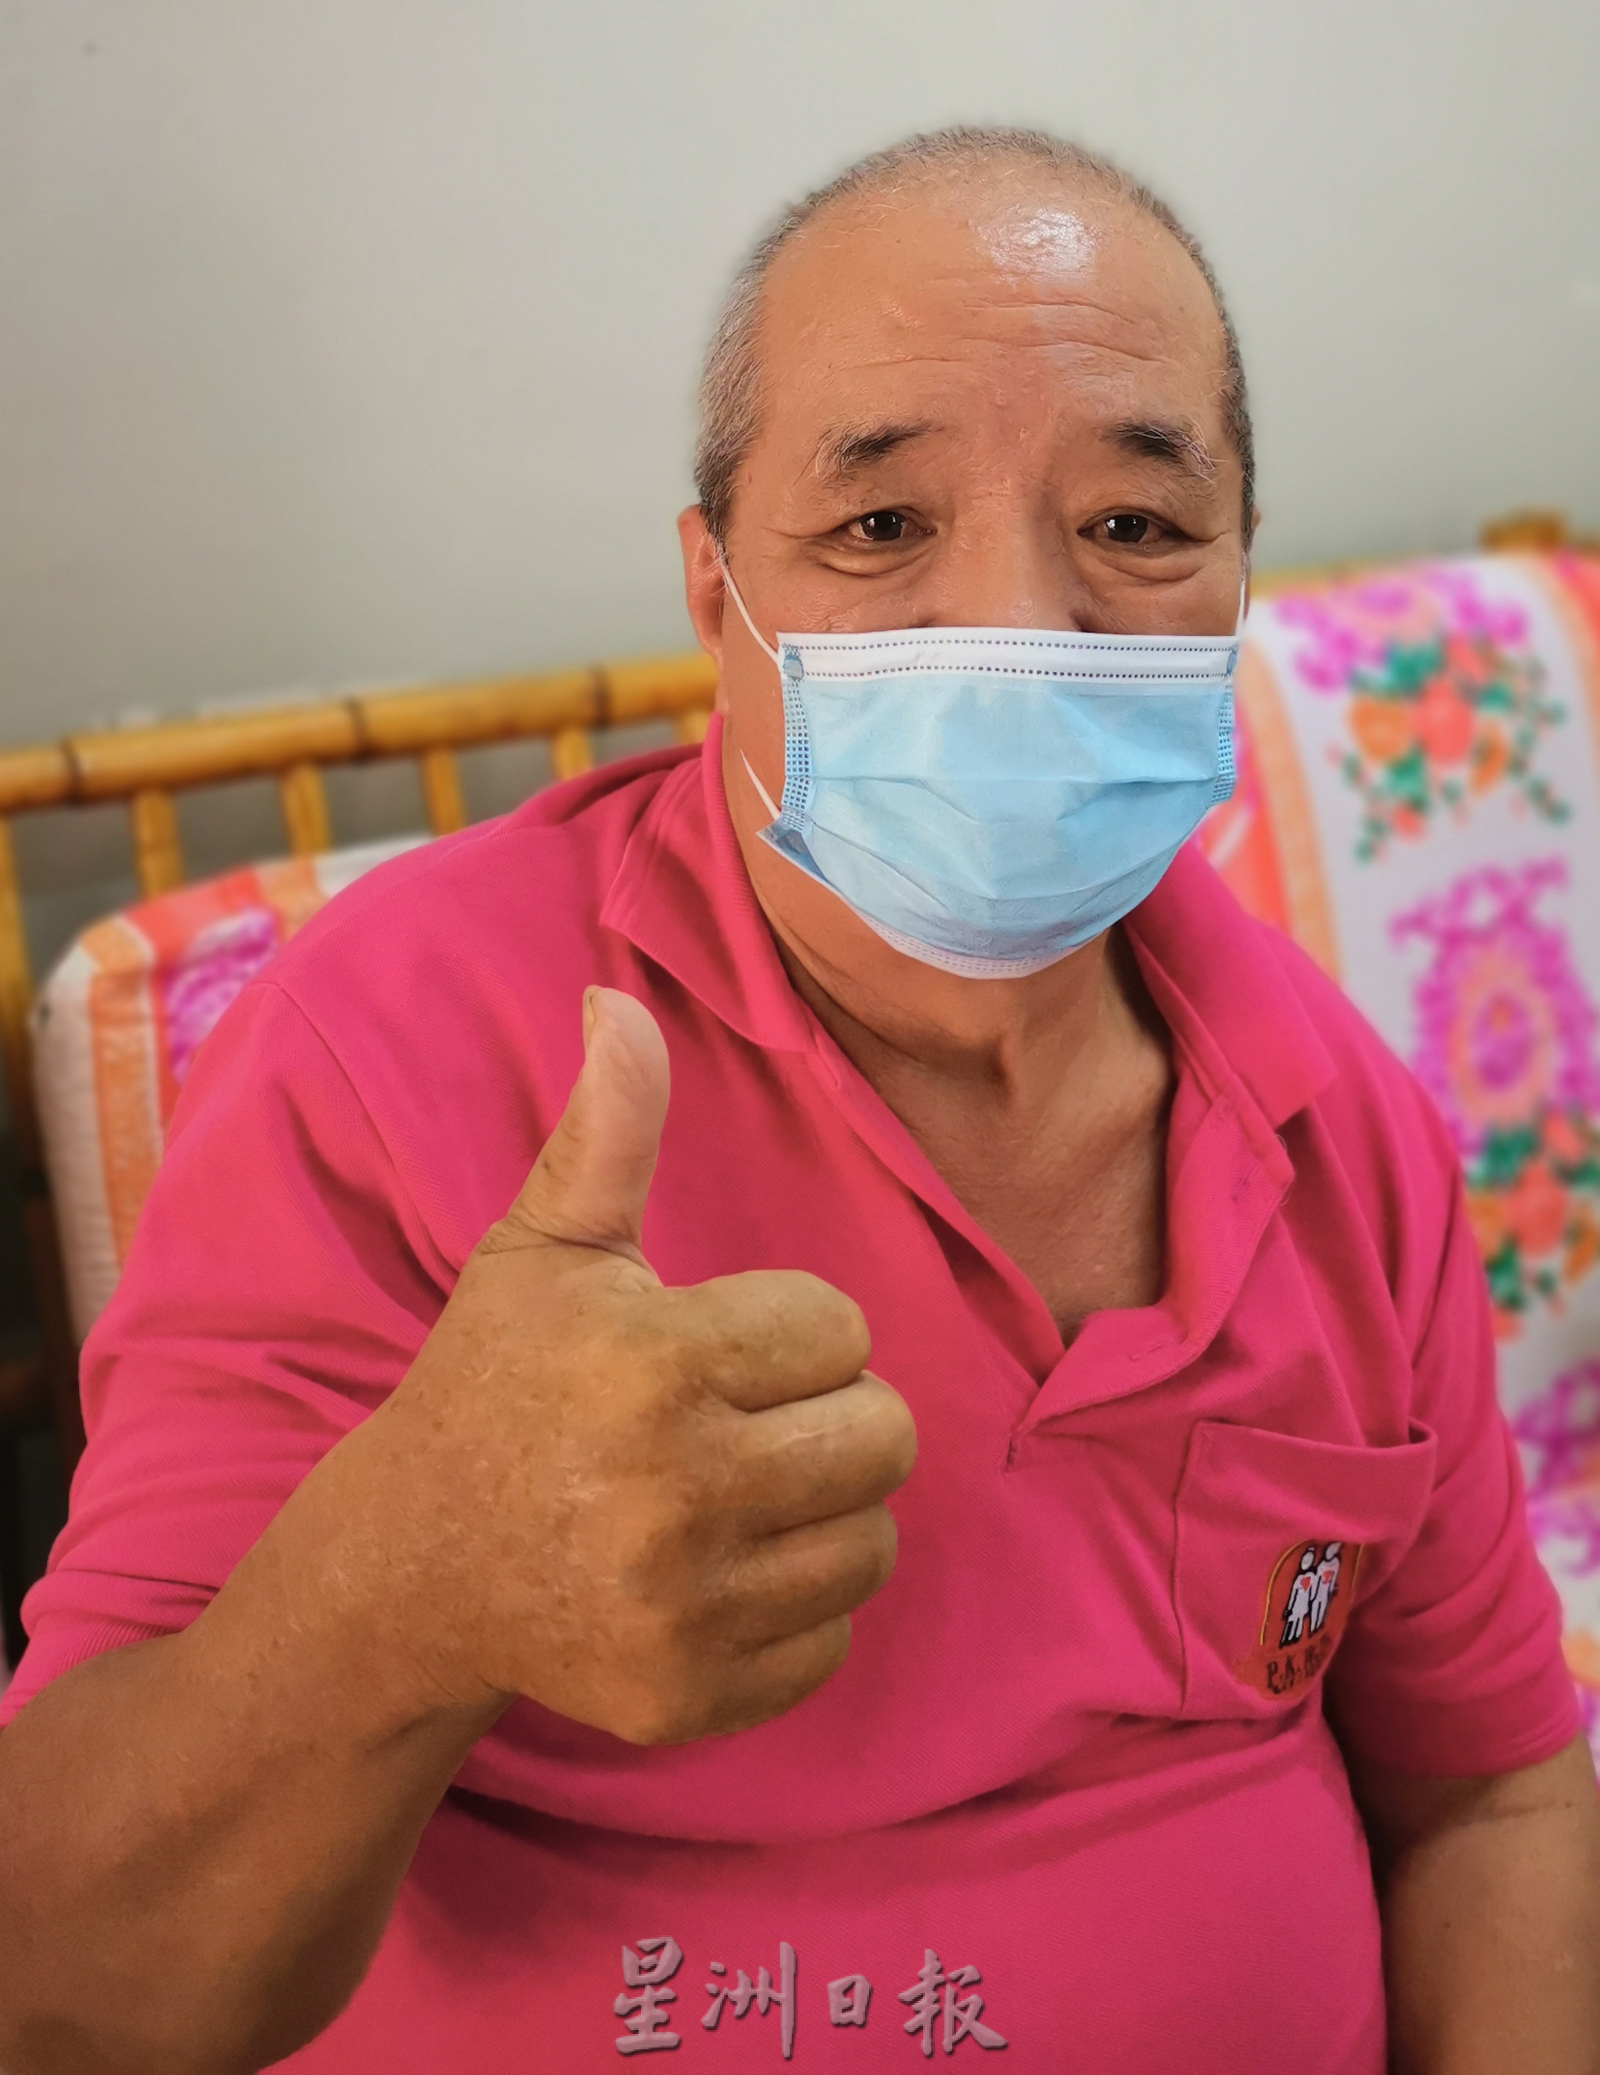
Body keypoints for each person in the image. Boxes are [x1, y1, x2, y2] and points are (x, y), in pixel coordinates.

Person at [1, 126, 1597, 2075]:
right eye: (878, 526)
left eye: (1133, 525)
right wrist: (407, 1590)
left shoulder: (1345, 1127)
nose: (1018, 630)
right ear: (712, 592)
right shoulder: (387, 1049)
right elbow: (68, 1985)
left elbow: (1492, 1795)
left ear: (1235, 575)